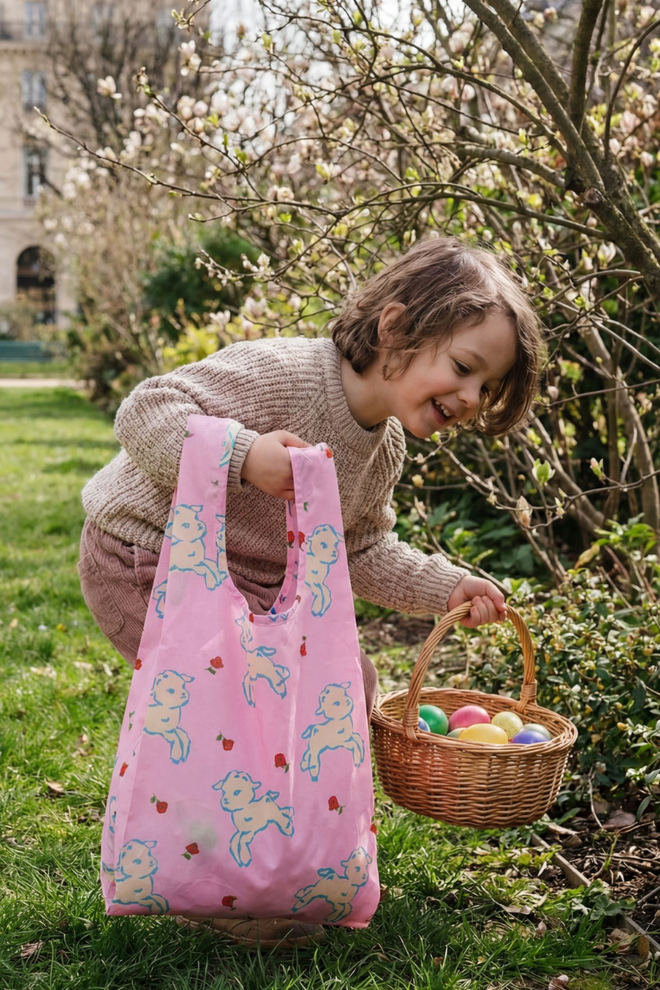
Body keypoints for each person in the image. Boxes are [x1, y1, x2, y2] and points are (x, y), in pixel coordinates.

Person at [79, 236, 542, 948]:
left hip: (250, 580)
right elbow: (147, 409)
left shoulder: (383, 448)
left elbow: (358, 550)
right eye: (464, 368)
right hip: (145, 556)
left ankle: (283, 859)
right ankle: (220, 883)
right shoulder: (286, 375)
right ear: (395, 328)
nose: (472, 398)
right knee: (224, 703)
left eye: (486, 387)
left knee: (345, 684)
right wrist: (242, 454)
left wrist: (450, 585)